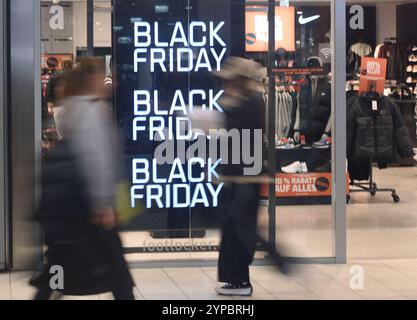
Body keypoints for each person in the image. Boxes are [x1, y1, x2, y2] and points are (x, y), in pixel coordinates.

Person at [30, 57, 135, 300]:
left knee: (60, 257)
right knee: (117, 270)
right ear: (91, 79)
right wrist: (103, 204)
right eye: (102, 76)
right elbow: (96, 158)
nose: (108, 80)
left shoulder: (70, 108)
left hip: (69, 202)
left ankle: (46, 292)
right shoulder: (93, 110)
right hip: (89, 202)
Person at [213, 57, 289, 297]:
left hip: (247, 179)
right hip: (235, 177)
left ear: (241, 80)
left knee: (242, 229)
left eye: (231, 79)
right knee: (233, 229)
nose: (226, 84)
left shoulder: (251, 103)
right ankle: (235, 280)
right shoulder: (240, 102)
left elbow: (244, 137)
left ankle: (272, 262)